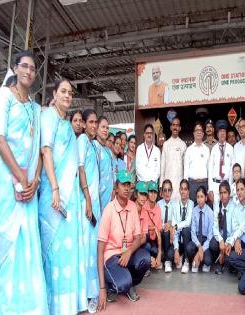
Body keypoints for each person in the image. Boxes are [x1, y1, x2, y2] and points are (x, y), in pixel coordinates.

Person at [0, 50, 49, 314]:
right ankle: (6, 305)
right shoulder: (4, 97)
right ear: (15, 69)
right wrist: (21, 177)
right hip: (7, 182)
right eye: (24, 66)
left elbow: (38, 150)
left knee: (29, 240)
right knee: (7, 237)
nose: (28, 71)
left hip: (29, 186)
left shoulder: (35, 108)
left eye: (33, 68)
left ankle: (31, 306)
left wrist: (34, 180)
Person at [38, 79, 87, 314]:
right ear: (54, 94)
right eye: (63, 92)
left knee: (67, 253)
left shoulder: (67, 125)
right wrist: (56, 190)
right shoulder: (47, 116)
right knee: (53, 251)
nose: (68, 96)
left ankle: (68, 305)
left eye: (70, 92)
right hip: (54, 195)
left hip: (71, 200)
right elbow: (45, 150)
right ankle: (53, 305)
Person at [96, 171, 151, 311]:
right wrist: (102, 288)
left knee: (145, 258)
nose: (127, 188)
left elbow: (138, 238)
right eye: (123, 184)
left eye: (129, 185)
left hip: (127, 252)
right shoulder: (109, 210)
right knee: (123, 283)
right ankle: (112, 287)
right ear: (116, 187)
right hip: (112, 257)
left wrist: (129, 252)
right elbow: (100, 249)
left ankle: (128, 283)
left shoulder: (132, 206)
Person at [78, 109, 101, 312]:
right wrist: (87, 199)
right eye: (91, 122)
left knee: (94, 250)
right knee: (86, 251)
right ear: (84, 124)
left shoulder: (94, 145)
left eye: (96, 122)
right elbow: (81, 168)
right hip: (87, 207)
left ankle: (93, 292)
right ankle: (86, 295)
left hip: (97, 207)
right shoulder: (82, 142)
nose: (94, 125)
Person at [224, 178, 245, 280]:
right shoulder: (236, 209)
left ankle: (244, 270)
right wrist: (236, 240)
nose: (239, 192)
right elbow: (235, 228)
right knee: (227, 255)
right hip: (240, 241)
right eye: (237, 190)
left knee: (232, 256)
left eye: (242, 189)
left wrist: (235, 240)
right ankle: (244, 269)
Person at [209, 181, 235, 275]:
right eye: (221, 193)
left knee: (231, 252)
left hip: (229, 238)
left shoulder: (234, 207)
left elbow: (233, 231)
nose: (223, 195)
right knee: (212, 244)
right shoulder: (217, 205)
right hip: (220, 237)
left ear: (229, 194)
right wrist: (220, 240)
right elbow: (215, 228)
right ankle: (219, 259)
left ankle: (225, 260)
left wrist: (226, 243)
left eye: (225, 193)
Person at [186, 186, 214, 273]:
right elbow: (193, 232)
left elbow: (210, 236)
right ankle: (195, 259)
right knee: (189, 248)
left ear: (206, 198)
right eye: (198, 197)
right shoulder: (194, 211)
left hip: (206, 240)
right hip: (197, 239)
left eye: (202, 197)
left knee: (208, 261)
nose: (199, 199)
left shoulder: (210, 212)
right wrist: (199, 247)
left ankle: (198, 257)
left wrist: (202, 249)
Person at [208, 120, 234, 206]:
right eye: (220, 131)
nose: (222, 134)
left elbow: (232, 168)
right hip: (216, 186)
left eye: (224, 131)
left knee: (226, 211)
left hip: (227, 185)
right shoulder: (214, 149)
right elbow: (210, 170)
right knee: (216, 212)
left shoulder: (230, 148)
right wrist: (210, 189)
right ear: (217, 134)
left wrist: (230, 187)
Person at [160, 117, 187, 200]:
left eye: (177, 125)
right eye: (173, 125)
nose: (175, 127)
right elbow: (162, 167)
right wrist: (161, 185)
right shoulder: (166, 144)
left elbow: (185, 167)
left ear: (180, 128)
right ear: (170, 127)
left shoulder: (183, 145)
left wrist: (185, 186)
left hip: (179, 184)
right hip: (167, 184)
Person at [184, 121, 210, 203]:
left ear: (203, 134)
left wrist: (209, 187)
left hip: (204, 184)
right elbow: (186, 170)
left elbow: (209, 170)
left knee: (203, 210)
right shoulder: (189, 150)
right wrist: (186, 188)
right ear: (193, 133)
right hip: (192, 185)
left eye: (201, 130)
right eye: (197, 130)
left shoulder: (206, 149)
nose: (199, 132)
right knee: (192, 210)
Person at [140, 181, 163, 271]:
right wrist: (152, 228)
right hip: (144, 237)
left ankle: (154, 260)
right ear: (147, 193)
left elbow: (158, 231)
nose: (153, 195)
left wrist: (160, 254)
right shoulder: (143, 205)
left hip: (153, 239)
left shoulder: (158, 208)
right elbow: (142, 229)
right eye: (151, 192)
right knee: (147, 246)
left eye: (155, 192)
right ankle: (148, 262)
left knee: (157, 251)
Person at [172, 179, 193, 273]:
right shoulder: (175, 204)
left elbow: (187, 222)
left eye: (185, 189)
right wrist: (176, 249)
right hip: (178, 238)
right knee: (170, 254)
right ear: (179, 190)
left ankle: (186, 260)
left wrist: (175, 227)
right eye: (181, 189)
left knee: (185, 230)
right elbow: (174, 228)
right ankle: (179, 253)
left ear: (188, 191)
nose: (183, 191)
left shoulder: (191, 203)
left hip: (187, 238)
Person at [94, 116, 115, 212]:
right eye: (103, 127)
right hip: (97, 195)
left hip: (109, 195)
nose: (105, 130)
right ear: (97, 128)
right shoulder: (94, 146)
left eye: (107, 128)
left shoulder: (108, 151)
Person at [157, 179, 176, 272]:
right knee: (163, 232)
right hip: (160, 234)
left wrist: (171, 225)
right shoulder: (158, 204)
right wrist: (165, 225)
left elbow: (175, 220)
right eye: (165, 190)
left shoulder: (175, 204)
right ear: (162, 192)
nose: (167, 193)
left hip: (170, 236)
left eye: (169, 190)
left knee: (167, 232)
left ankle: (168, 261)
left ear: (172, 191)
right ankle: (163, 256)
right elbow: (157, 221)